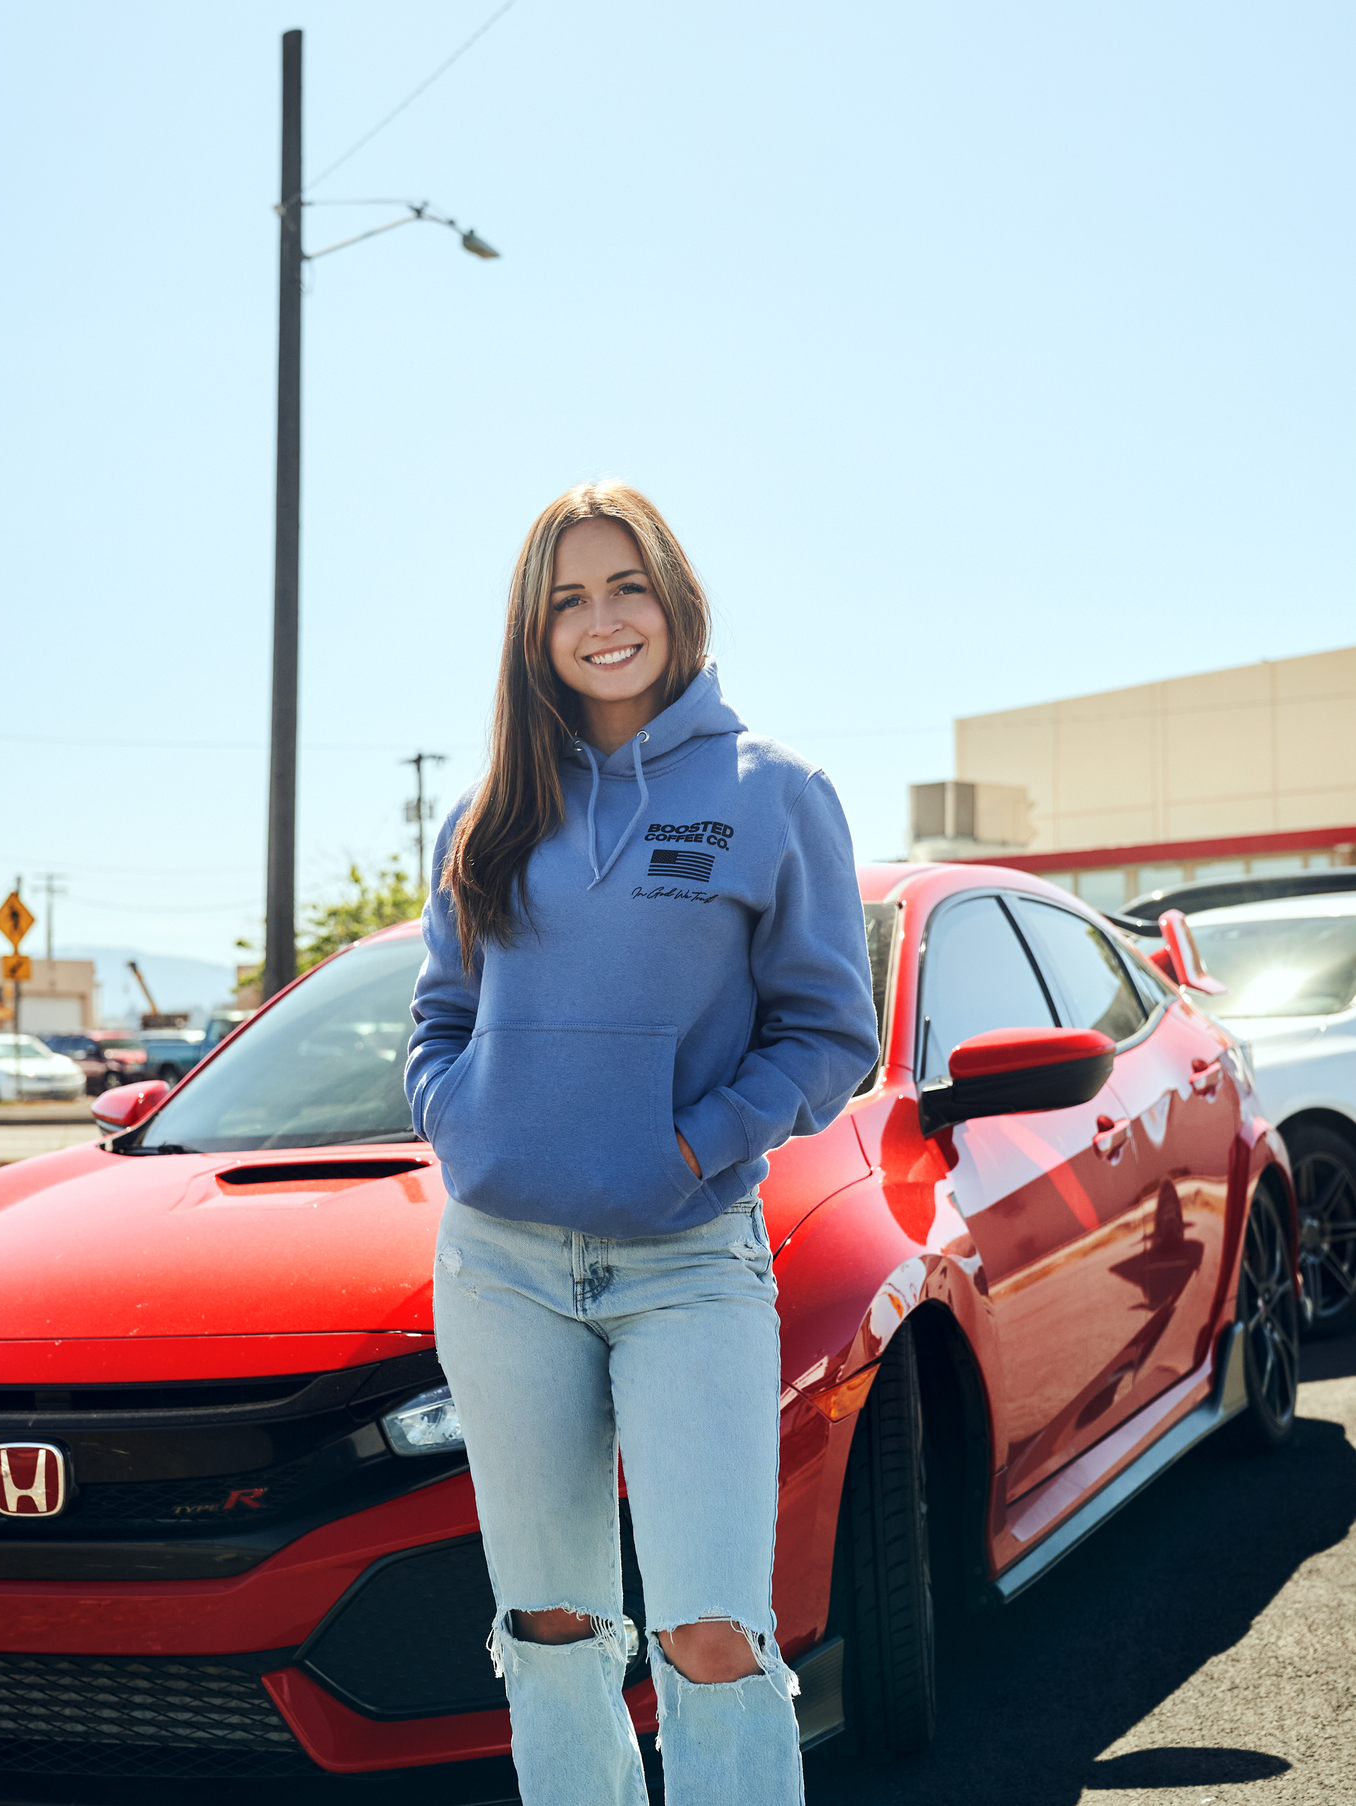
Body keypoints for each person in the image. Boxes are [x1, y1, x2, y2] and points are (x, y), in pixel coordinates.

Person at [405, 481, 879, 1805]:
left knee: (711, 1631)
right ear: (533, 629)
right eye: (567, 598)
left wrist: (698, 1142)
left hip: (687, 1263)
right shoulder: (490, 809)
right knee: (551, 1625)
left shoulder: (774, 793)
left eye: (625, 586)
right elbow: (438, 1018)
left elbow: (831, 1030)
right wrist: (467, 1124)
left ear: (675, 596)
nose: (601, 621)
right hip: (499, 1267)